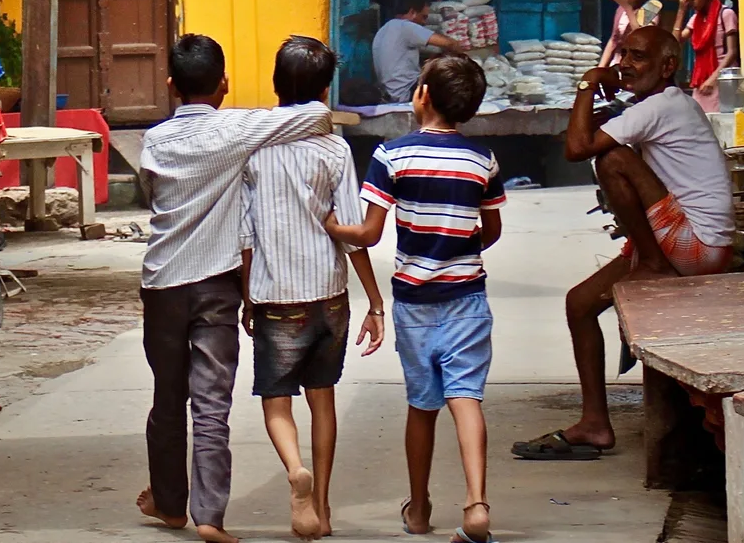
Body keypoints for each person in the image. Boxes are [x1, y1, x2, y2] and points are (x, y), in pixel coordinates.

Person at [137, 34, 334, 543]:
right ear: (224, 83)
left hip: (162, 284)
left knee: (167, 397)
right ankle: (210, 516)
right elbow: (315, 116)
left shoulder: (154, 140)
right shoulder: (238, 129)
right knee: (211, 404)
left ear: (170, 86)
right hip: (216, 286)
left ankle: (169, 501)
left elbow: (150, 190)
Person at [513, 26, 734, 461]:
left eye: (638, 58)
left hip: (697, 247)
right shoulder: (653, 105)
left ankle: (650, 262)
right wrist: (595, 98)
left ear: (668, 66)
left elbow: (579, 148)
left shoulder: (664, 106)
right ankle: (595, 423)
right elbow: (578, 132)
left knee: (613, 158)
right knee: (579, 303)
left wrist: (588, 82)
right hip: (679, 239)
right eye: (624, 56)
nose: (625, 66)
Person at [325, 54, 504, 543]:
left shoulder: (392, 155)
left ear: (421, 94)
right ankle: (477, 504)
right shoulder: (481, 160)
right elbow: (492, 229)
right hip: (468, 298)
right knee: (466, 398)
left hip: (415, 304)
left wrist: (330, 225)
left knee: (422, 406)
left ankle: (420, 508)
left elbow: (367, 232)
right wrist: (457, 244)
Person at [240, 37, 386, 540]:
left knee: (276, 400)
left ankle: (294, 470)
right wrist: (375, 300)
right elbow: (351, 231)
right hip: (329, 295)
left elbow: (246, 236)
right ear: (325, 90)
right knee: (322, 399)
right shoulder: (335, 149)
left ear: (276, 86)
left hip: (276, 294)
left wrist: (246, 295)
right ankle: (321, 508)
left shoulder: (254, 151)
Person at [372, 0, 465, 103]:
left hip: (389, 93)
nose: (424, 22)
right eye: (423, 17)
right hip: (406, 92)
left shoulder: (383, 29)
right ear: (412, 12)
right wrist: (466, 62)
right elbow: (449, 43)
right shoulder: (405, 26)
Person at [672, 0, 738, 113]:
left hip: (722, 78)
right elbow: (676, 41)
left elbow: (732, 52)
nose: (691, 2)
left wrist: (713, 79)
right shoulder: (696, 18)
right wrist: (681, 10)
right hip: (702, 79)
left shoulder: (726, 14)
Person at [598, 0, 663, 67]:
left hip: (639, 67)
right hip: (618, 64)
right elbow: (614, 39)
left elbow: (641, 38)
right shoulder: (621, 8)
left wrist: (627, 8)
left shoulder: (651, 8)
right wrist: (600, 69)